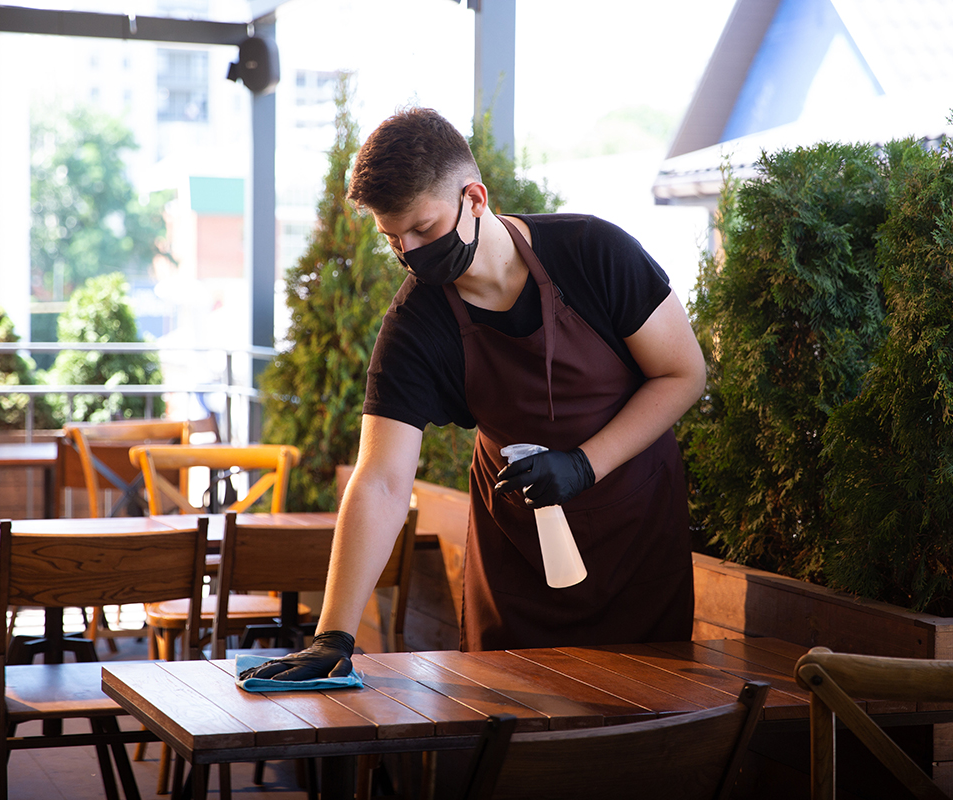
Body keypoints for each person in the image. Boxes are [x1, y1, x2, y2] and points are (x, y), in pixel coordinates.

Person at [241, 107, 705, 682]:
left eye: (424, 230)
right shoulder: (417, 325)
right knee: (510, 733)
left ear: (475, 198)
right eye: (392, 238)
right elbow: (382, 479)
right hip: (519, 552)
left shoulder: (595, 253)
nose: (409, 251)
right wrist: (334, 634)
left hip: (635, 535)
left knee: (650, 727)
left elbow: (683, 375)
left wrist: (585, 466)